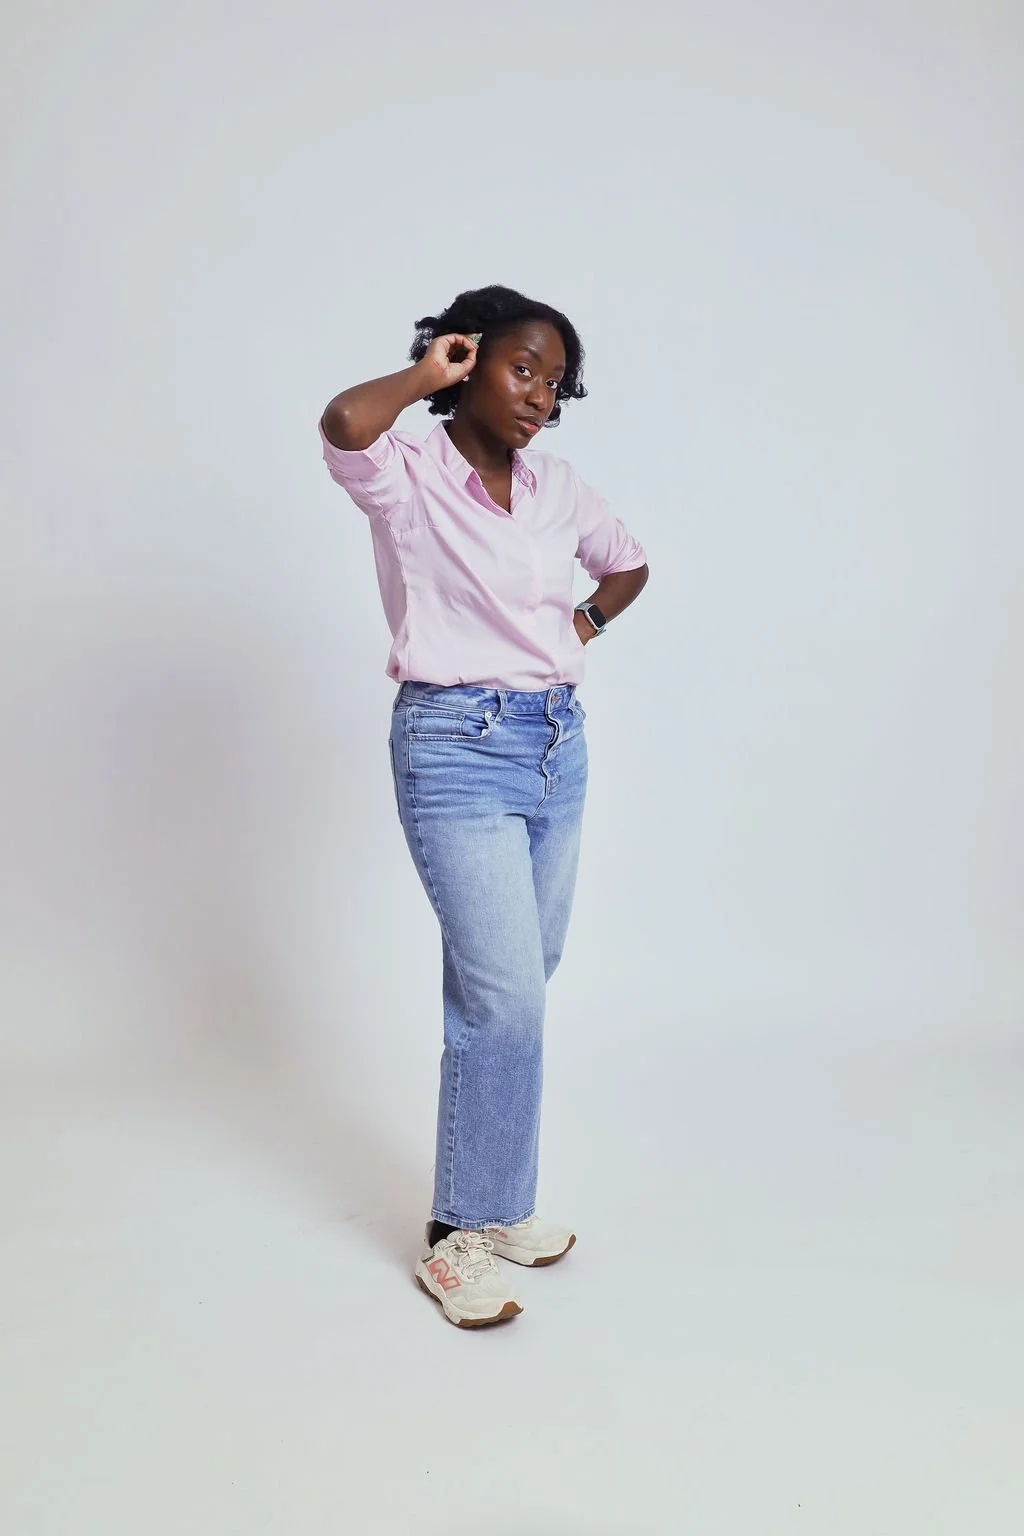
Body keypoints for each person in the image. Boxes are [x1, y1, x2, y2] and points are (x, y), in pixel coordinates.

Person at [318, 284, 649, 1328]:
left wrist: (581, 626)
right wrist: (424, 374)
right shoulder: (408, 472)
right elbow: (340, 425)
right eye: (520, 369)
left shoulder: (558, 485)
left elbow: (628, 565)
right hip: (454, 746)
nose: (539, 395)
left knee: (517, 982)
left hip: (556, 746)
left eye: (554, 381)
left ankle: (496, 1206)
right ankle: (459, 1233)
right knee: (504, 994)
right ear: (467, 361)